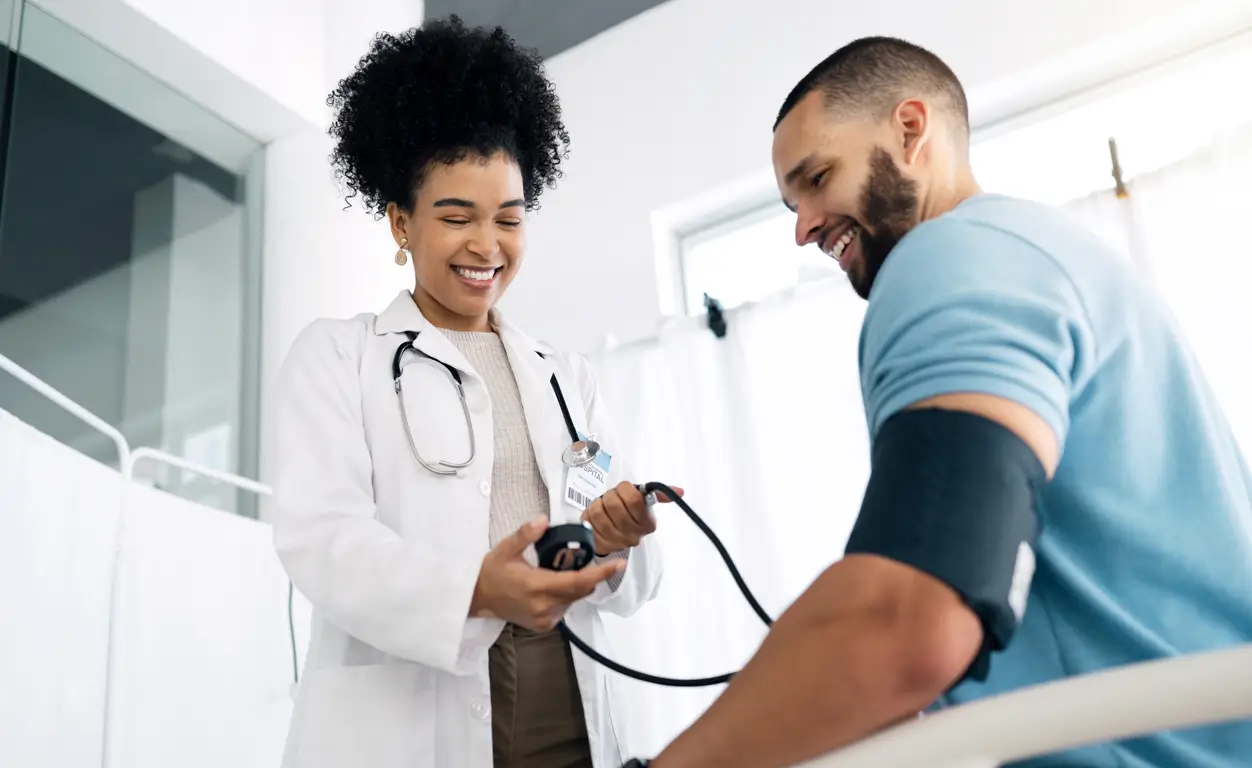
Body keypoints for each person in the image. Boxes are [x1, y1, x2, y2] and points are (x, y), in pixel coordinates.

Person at [633, 36, 1252, 768]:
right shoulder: (1043, 249)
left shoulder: (951, 257)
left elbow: (911, 617)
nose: (801, 228)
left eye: (818, 178)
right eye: (791, 202)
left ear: (909, 129)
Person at [272, 17, 677, 768]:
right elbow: (321, 539)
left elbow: (626, 583)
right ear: (400, 221)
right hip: (414, 702)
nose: (486, 246)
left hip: (567, 689)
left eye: (509, 219)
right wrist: (474, 590)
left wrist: (618, 536)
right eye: (456, 216)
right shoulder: (338, 356)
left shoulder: (565, 375)